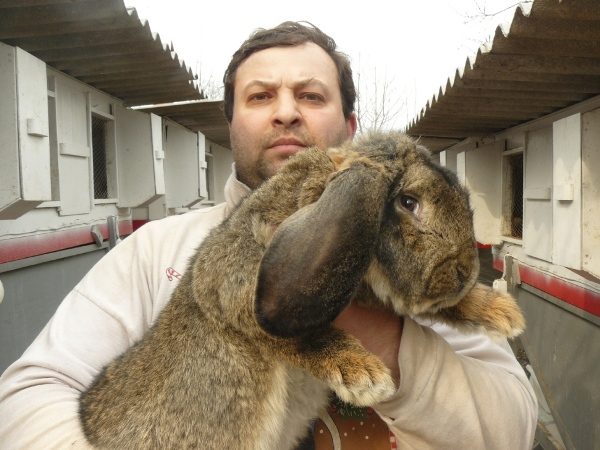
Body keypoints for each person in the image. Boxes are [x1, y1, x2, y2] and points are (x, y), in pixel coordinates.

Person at [0, 21, 537, 449]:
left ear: (351, 128)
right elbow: (29, 395)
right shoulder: (153, 249)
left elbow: (510, 431)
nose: (285, 113)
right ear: (231, 124)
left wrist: (346, 296)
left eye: (310, 95)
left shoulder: (418, 250)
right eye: (260, 98)